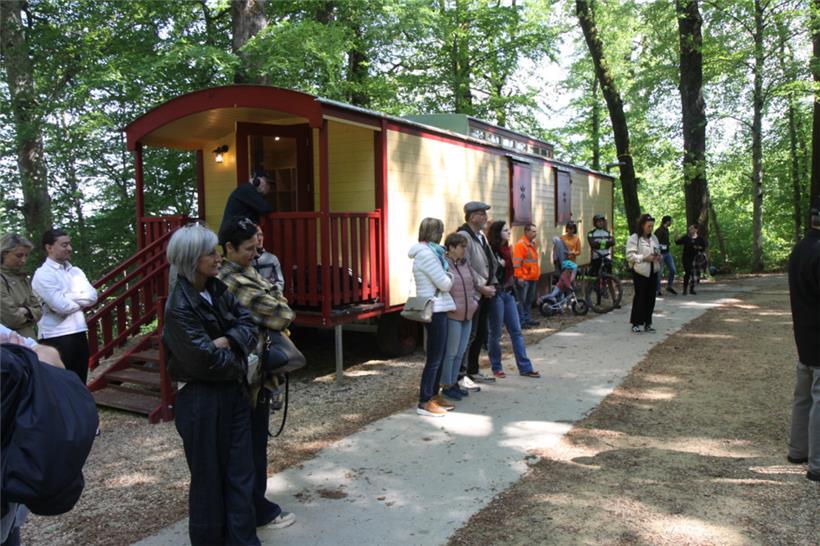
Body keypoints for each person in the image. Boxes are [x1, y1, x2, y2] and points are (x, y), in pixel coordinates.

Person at [162, 223, 260, 545]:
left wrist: (226, 341)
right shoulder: (179, 306)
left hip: (232, 393)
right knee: (208, 481)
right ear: (192, 259)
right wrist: (236, 351)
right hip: (201, 401)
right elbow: (204, 362)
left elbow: (248, 324)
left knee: (240, 475)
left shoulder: (217, 289)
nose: (218, 257)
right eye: (210, 252)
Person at [217, 216, 297, 530]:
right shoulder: (231, 278)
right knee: (249, 447)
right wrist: (278, 305)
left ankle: (251, 503)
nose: (255, 251)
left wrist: (277, 304)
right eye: (249, 247)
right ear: (228, 248)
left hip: (257, 372)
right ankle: (255, 507)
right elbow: (282, 313)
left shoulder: (245, 271)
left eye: (256, 245)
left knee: (253, 443)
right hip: (247, 376)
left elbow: (278, 305)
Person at [31, 229, 97, 384]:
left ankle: (78, 409)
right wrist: (79, 297)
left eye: (69, 244)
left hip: (79, 331)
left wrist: (66, 296)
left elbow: (93, 297)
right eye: (64, 245)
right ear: (49, 248)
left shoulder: (75, 271)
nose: (69, 248)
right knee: (59, 385)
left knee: (80, 382)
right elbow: (62, 307)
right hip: (55, 336)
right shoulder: (43, 274)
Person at [786, 196, 820, 483]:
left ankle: (798, 450)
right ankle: (818, 463)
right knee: (818, 398)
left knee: (803, 396)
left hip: (804, 335)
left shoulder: (800, 248)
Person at [409, 218, 456, 416]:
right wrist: (450, 275)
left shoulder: (430, 253)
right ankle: (424, 400)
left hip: (439, 308)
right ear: (434, 233)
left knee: (440, 355)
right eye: (441, 231)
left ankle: (433, 396)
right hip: (435, 310)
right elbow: (445, 284)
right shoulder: (427, 255)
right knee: (435, 358)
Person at [487, 221, 540, 378]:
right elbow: (489, 272)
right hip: (496, 294)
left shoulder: (507, 249)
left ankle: (525, 367)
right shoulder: (491, 250)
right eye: (505, 230)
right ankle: (496, 366)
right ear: (497, 233)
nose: (509, 232)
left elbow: (512, 269)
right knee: (495, 333)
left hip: (508, 293)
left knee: (516, 331)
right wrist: (499, 265)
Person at [458, 201, 498, 388]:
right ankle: (461, 374)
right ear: (472, 216)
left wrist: (492, 283)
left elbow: (488, 261)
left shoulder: (479, 236)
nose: (485, 217)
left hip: (485, 292)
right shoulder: (464, 236)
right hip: (473, 293)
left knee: (480, 332)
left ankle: (472, 370)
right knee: (469, 334)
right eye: (482, 214)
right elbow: (465, 266)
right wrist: (481, 286)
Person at [440, 233, 478, 401]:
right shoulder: (444, 264)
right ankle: (446, 384)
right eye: (462, 247)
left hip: (467, 313)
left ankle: (453, 382)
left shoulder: (464, 263)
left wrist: (474, 301)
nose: (464, 250)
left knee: (460, 352)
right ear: (452, 247)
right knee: (451, 352)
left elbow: (473, 283)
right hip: (453, 314)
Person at [0, 234, 42, 339]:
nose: (23, 260)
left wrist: (25, 311)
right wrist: (31, 313)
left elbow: (39, 310)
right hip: (8, 345)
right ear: (4, 253)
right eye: (19, 255)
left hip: (28, 340)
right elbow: (11, 319)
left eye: (26, 255)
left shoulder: (22, 278)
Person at [626, 214, 661, 334]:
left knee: (651, 298)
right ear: (642, 225)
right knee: (640, 298)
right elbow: (630, 256)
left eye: (652, 226)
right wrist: (645, 258)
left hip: (653, 271)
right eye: (648, 226)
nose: (650, 228)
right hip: (640, 272)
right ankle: (636, 323)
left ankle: (648, 323)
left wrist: (658, 256)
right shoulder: (634, 238)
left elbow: (657, 251)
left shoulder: (654, 238)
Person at [512, 223, 540, 329]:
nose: (535, 233)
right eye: (533, 231)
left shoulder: (533, 244)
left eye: (535, 231)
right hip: (524, 278)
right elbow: (517, 262)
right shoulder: (521, 245)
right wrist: (519, 276)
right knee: (521, 300)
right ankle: (521, 320)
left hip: (532, 277)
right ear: (526, 232)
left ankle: (527, 319)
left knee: (529, 300)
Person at [252, 225, 284, 294]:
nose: (260, 238)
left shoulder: (272, 259)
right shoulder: (245, 260)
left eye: (261, 235)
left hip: (271, 298)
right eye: (256, 235)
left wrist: (268, 292)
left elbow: (280, 283)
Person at [675, 224, 707, 295]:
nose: (690, 230)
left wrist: (698, 247)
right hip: (686, 257)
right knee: (688, 272)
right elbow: (677, 242)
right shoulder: (686, 237)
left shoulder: (700, 239)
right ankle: (685, 289)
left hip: (696, 258)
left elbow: (704, 247)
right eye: (690, 228)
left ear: (696, 230)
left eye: (692, 228)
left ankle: (692, 289)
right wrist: (676, 235)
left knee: (694, 274)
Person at [654, 215, 677, 296]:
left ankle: (669, 286)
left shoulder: (667, 230)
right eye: (670, 221)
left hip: (667, 253)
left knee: (673, 270)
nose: (671, 222)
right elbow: (655, 243)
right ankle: (658, 290)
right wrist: (659, 251)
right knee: (659, 273)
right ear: (667, 221)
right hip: (661, 254)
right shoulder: (659, 230)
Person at [587, 214, 615, 278]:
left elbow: (613, 242)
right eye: (599, 221)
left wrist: (599, 243)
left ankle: (610, 287)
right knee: (594, 277)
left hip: (607, 257)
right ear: (595, 223)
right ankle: (590, 287)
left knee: (609, 277)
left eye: (602, 221)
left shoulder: (608, 233)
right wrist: (607, 243)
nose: (601, 223)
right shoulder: (591, 233)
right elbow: (592, 244)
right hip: (596, 257)